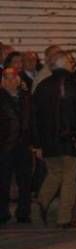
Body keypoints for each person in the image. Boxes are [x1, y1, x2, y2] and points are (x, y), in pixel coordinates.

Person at [31, 52, 76, 228]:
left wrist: (37, 143)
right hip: (69, 138)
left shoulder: (42, 86)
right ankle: (64, 217)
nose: (73, 64)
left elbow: (34, 116)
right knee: (70, 178)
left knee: (54, 173)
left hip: (48, 140)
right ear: (63, 64)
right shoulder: (73, 84)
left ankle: (39, 205)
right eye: (70, 61)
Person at [0, 65, 34, 225]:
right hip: (4, 145)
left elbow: (34, 121)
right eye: (7, 78)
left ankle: (23, 212)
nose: (11, 81)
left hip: (23, 145)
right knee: (3, 182)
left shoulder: (26, 97)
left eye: (14, 77)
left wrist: (35, 143)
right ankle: (2, 213)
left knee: (25, 181)